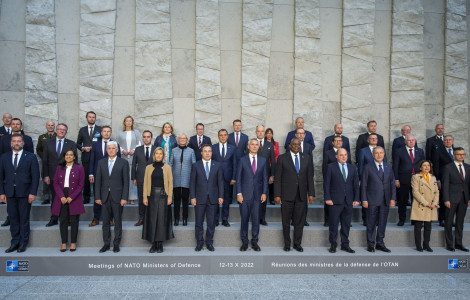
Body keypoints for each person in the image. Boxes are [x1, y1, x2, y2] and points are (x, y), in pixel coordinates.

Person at [0, 134, 40, 253]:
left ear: (23, 143)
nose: (16, 143)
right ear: (11, 143)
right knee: (13, 219)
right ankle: (14, 242)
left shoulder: (31, 157)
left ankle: (23, 242)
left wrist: (33, 193)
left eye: (19, 141)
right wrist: (1, 192)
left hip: (25, 193)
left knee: (23, 219)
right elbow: (1, 176)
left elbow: (35, 176)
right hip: (10, 193)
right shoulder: (4, 157)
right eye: (14, 141)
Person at [274, 138, 315, 252]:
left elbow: (309, 178)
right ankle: (287, 243)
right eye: (294, 144)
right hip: (286, 195)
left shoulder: (306, 158)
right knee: (286, 221)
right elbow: (278, 178)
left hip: (301, 195)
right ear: (290, 146)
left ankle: (297, 243)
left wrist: (311, 193)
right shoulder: (282, 158)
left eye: (298, 144)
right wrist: (277, 195)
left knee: (299, 221)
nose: (296, 146)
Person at [95, 141, 129, 253]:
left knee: (117, 221)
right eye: (109, 148)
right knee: (105, 222)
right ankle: (106, 243)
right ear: (106, 150)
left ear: (117, 150)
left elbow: (126, 182)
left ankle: (116, 244)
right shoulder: (101, 162)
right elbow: (98, 181)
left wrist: (124, 197)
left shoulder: (123, 162)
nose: (111, 150)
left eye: (113, 148)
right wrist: (97, 197)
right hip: (104, 197)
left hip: (118, 197)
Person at [324, 148, 359, 253]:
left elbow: (356, 185)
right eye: (341, 155)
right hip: (334, 201)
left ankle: (345, 244)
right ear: (336, 156)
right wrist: (327, 198)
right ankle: (333, 244)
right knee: (333, 224)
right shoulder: (330, 167)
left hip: (348, 201)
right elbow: (327, 184)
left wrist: (356, 199)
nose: (344, 157)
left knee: (346, 224)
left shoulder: (352, 168)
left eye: (345, 155)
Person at [0, 118, 34, 227]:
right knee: (12, 211)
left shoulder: (27, 139)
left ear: (21, 126)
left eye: (17, 124)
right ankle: (9, 218)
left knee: (23, 214)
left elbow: (30, 156)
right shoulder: (4, 139)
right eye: (13, 124)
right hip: (9, 175)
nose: (15, 126)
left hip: (22, 178)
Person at [361, 146, 396, 253]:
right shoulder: (368, 167)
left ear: (384, 154)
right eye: (376, 153)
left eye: (381, 153)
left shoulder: (388, 167)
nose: (379, 155)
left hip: (385, 199)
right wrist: (364, 199)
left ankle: (380, 243)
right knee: (371, 223)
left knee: (382, 222)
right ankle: (371, 244)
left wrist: (393, 198)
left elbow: (392, 184)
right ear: (373, 155)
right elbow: (364, 185)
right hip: (371, 200)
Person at [190, 144, 224, 252]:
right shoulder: (196, 165)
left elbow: (220, 182)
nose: (207, 153)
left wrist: (221, 196)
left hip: (213, 198)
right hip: (199, 198)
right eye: (205, 151)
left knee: (211, 222)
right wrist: (193, 197)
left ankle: (209, 242)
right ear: (201, 153)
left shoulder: (217, 165)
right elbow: (192, 183)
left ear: (211, 152)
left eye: (209, 151)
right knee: (199, 222)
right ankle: (199, 243)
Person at [42, 123, 77, 227]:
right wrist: (46, 175)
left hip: (68, 176)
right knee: (55, 197)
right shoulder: (48, 143)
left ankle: (69, 218)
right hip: (53, 176)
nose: (61, 131)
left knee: (68, 196)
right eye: (60, 129)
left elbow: (75, 160)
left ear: (66, 132)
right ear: (56, 130)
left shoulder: (71, 143)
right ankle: (54, 218)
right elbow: (45, 160)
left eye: (64, 130)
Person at [236, 139, 268, 251]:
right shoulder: (242, 160)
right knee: (244, 219)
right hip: (244, 195)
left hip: (258, 195)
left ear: (258, 147)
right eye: (252, 145)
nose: (254, 146)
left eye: (256, 145)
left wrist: (264, 192)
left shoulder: (263, 161)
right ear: (248, 146)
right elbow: (238, 178)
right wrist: (239, 193)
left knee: (255, 219)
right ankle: (244, 242)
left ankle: (254, 242)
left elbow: (265, 179)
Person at [51, 150, 85, 252]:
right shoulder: (59, 168)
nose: (69, 157)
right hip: (61, 195)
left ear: (74, 157)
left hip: (74, 196)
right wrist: (61, 196)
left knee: (74, 221)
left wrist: (72, 197)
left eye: (71, 155)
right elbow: (55, 183)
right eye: (67, 155)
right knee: (63, 220)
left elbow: (81, 185)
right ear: (64, 156)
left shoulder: (79, 168)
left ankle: (73, 243)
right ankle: (64, 243)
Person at [142, 147, 174, 253]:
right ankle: (153, 243)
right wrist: (144, 197)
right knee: (152, 220)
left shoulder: (167, 168)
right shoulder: (148, 168)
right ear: (154, 155)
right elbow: (145, 183)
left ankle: (159, 243)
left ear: (163, 156)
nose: (159, 155)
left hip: (163, 196)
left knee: (161, 220)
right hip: (151, 196)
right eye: (157, 154)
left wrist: (169, 197)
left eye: (161, 154)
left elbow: (170, 183)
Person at [88, 126, 121, 226]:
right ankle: (96, 218)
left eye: (108, 131)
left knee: (110, 197)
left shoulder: (115, 144)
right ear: (101, 133)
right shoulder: (95, 145)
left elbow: (118, 161)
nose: (106, 133)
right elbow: (92, 160)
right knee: (97, 196)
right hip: (97, 175)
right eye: (104, 131)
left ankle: (110, 218)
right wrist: (91, 173)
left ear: (111, 133)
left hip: (111, 176)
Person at [441, 147, 470, 252]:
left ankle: (459, 243)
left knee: (460, 222)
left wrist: (469, 198)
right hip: (451, 198)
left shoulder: (468, 167)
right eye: (459, 154)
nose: (461, 156)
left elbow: (468, 184)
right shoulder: (448, 167)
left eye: (463, 154)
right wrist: (446, 199)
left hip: (464, 199)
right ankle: (449, 244)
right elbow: (445, 184)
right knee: (449, 222)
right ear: (454, 156)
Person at [393, 134, 424, 226]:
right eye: (409, 140)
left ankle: (415, 220)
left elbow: (424, 165)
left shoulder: (420, 151)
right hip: (403, 179)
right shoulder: (399, 151)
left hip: (417, 179)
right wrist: (396, 179)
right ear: (405, 141)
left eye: (413, 140)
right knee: (402, 200)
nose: (411, 142)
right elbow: (395, 166)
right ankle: (402, 219)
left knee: (417, 200)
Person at [357, 133, 388, 226]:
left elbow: (385, 164)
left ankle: (378, 220)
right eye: (371, 138)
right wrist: (362, 178)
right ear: (368, 140)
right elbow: (361, 166)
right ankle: (365, 219)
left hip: (380, 180)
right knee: (366, 199)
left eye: (375, 138)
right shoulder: (363, 151)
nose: (374, 140)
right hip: (367, 180)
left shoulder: (381, 150)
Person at [322, 136, 351, 227]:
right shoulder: (328, 153)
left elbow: (349, 166)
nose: (338, 142)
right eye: (336, 141)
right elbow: (324, 167)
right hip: (331, 181)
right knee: (329, 203)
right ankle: (327, 220)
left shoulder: (346, 153)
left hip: (343, 181)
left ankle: (345, 222)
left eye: (340, 141)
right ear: (333, 143)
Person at [410, 160, 439, 252]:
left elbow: (436, 192)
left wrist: (434, 203)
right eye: (424, 165)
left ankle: (426, 244)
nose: (427, 167)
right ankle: (418, 245)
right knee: (418, 226)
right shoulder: (416, 177)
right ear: (420, 167)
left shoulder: (433, 177)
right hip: (421, 204)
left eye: (428, 165)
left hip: (431, 205)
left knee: (428, 226)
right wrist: (426, 203)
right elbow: (415, 192)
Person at [212, 129, 237, 227]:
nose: (223, 137)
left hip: (228, 178)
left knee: (226, 199)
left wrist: (234, 177)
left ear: (227, 136)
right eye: (221, 135)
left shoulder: (232, 148)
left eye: (225, 135)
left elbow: (235, 163)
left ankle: (225, 219)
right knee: (215, 199)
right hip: (215, 178)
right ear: (218, 136)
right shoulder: (213, 147)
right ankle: (215, 219)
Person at [169, 133, 195, 226]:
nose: (182, 140)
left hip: (187, 179)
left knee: (185, 200)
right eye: (181, 138)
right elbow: (170, 164)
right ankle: (176, 218)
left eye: (184, 138)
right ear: (178, 140)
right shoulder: (174, 150)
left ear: (187, 140)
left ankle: (185, 219)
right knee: (176, 200)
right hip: (175, 179)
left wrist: (192, 178)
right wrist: (170, 176)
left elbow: (194, 165)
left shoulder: (191, 151)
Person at [76, 111, 101, 204]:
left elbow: (102, 142)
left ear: (95, 118)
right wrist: (83, 148)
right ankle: (86, 198)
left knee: (97, 178)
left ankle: (97, 198)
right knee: (86, 178)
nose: (91, 119)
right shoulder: (82, 130)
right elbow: (78, 143)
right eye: (90, 117)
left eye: (93, 117)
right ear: (86, 118)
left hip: (98, 158)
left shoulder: (100, 129)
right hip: (86, 157)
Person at [116, 116, 142, 206]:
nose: (128, 122)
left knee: (132, 178)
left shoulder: (136, 133)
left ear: (132, 122)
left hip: (133, 158)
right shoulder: (120, 133)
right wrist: (122, 150)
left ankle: (132, 198)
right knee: (123, 178)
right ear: (124, 122)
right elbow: (117, 144)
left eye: (130, 121)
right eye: (127, 121)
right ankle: (124, 197)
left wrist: (134, 150)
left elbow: (139, 143)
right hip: (123, 157)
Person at [131, 130, 155, 226]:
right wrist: (134, 178)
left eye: (148, 136)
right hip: (140, 178)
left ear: (151, 138)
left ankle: (151, 219)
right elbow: (134, 164)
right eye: (144, 137)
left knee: (152, 199)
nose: (146, 138)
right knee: (141, 199)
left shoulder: (156, 149)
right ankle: (141, 218)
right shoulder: (138, 149)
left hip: (153, 178)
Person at [431, 135, 455, 227]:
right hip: (443, 179)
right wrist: (437, 180)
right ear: (443, 142)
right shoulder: (439, 151)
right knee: (443, 199)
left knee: (453, 200)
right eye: (446, 140)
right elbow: (436, 166)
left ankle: (451, 219)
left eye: (449, 140)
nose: (448, 141)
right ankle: (442, 219)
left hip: (454, 180)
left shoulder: (457, 151)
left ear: (452, 141)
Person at [254, 125, 275, 226]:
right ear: (256, 132)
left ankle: (262, 218)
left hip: (265, 176)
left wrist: (272, 175)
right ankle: (255, 218)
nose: (261, 133)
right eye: (259, 131)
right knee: (254, 198)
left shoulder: (269, 144)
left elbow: (273, 161)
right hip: (254, 175)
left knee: (264, 197)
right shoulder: (252, 144)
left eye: (262, 131)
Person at [36, 121, 56, 206]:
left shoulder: (57, 136)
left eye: (52, 125)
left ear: (54, 127)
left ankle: (56, 197)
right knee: (46, 179)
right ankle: (46, 198)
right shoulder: (42, 137)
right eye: (49, 125)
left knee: (56, 179)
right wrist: (44, 157)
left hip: (55, 162)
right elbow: (38, 149)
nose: (50, 127)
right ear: (46, 126)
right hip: (45, 162)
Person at [265, 127, 279, 205]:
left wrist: (273, 163)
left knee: (272, 182)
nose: (269, 134)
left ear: (272, 134)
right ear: (265, 134)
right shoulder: (263, 143)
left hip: (273, 165)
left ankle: (271, 199)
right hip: (265, 165)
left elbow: (277, 155)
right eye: (268, 133)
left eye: (270, 133)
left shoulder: (275, 143)